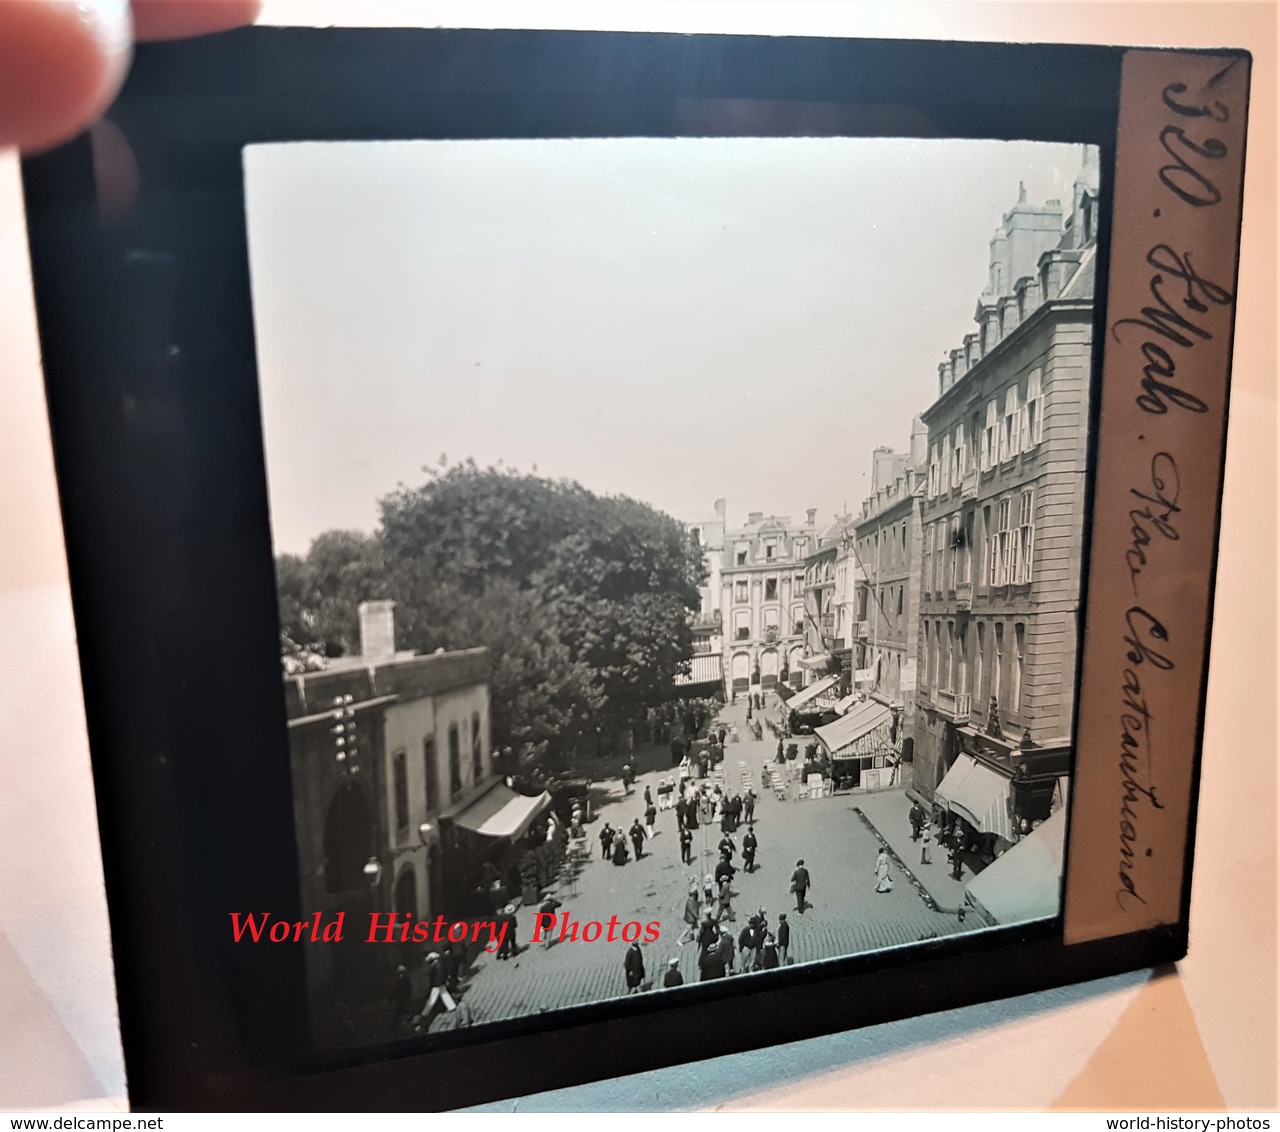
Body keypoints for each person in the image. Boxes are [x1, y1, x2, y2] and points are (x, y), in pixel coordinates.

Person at [391, 964, 413, 1032]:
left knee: (399, 1012)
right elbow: (409, 988)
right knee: (402, 1011)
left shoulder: (401, 980)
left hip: (401, 999)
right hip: (403, 998)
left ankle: (395, 1026)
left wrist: (392, 998)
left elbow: (396, 990)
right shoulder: (406, 979)